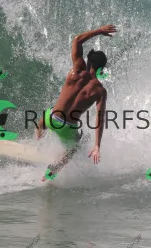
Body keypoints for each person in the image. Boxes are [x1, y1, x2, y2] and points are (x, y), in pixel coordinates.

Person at [35, 24, 117, 181]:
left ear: (89, 62)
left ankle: (38, 139)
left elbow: (77, 40)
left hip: (51, 119)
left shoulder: (77, 70)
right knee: (75, 145)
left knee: (46, 115)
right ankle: (50, 173)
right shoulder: (100, 91)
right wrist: (97, 145)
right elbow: (100, 119)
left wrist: (99, 31)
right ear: (101, 68)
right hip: (67, 127)